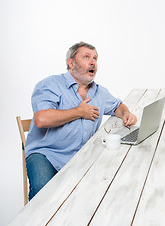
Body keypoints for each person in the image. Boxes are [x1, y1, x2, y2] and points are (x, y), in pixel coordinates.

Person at [25, 42, 137, 200]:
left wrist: (126, 113)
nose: (93, 62)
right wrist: (79, 112)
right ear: (71, 63)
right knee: (42, 194)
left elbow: (117, 106)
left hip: (79, 156)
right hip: (46, 154)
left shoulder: (99, 92)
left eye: (95, 58)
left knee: (108, 188)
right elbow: (41, 119)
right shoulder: (50, 85)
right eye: (86, 57)